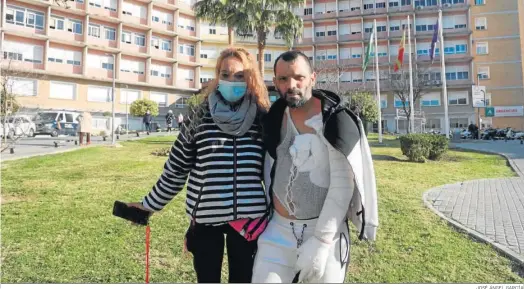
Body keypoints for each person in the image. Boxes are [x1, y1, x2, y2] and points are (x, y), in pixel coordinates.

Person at [126, 47, 271, 283]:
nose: (231, 81)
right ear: (217, 77)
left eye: (239, 76)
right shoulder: (198, 118)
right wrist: (148, 206)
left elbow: (276, 173)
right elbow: (176, 168)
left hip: (250, 222)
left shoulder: (263, 119)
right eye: (225, 74)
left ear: (250, 78)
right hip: (205, 219)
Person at [252, 51, 378, 283]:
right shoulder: (273, 118)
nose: (291, 85)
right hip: (277, 232)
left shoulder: (334, 120)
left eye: (299, 77)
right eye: (283, 79)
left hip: (325, 235)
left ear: (313, 78)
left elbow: (342, 184)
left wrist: (321, 240)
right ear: (275, 82)